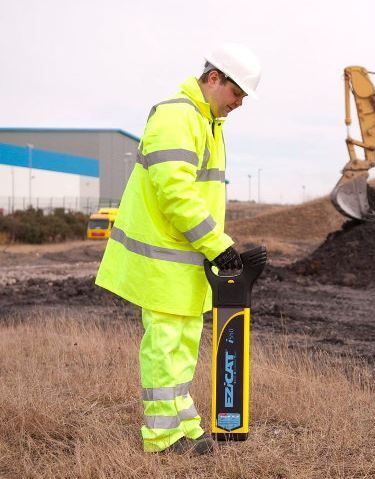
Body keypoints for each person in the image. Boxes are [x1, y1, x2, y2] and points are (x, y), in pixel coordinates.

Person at [95, 43, 261, 455]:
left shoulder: (206, 122)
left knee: (183, 346)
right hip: (162, 260)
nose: (239, 103)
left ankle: (184, 426)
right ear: (213, 78)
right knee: (166, 345)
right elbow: (175, 193)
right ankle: (162, 437)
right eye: (236, 93)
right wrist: (219, 246)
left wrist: (214, 249)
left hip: (184, 263)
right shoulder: (176, 116)